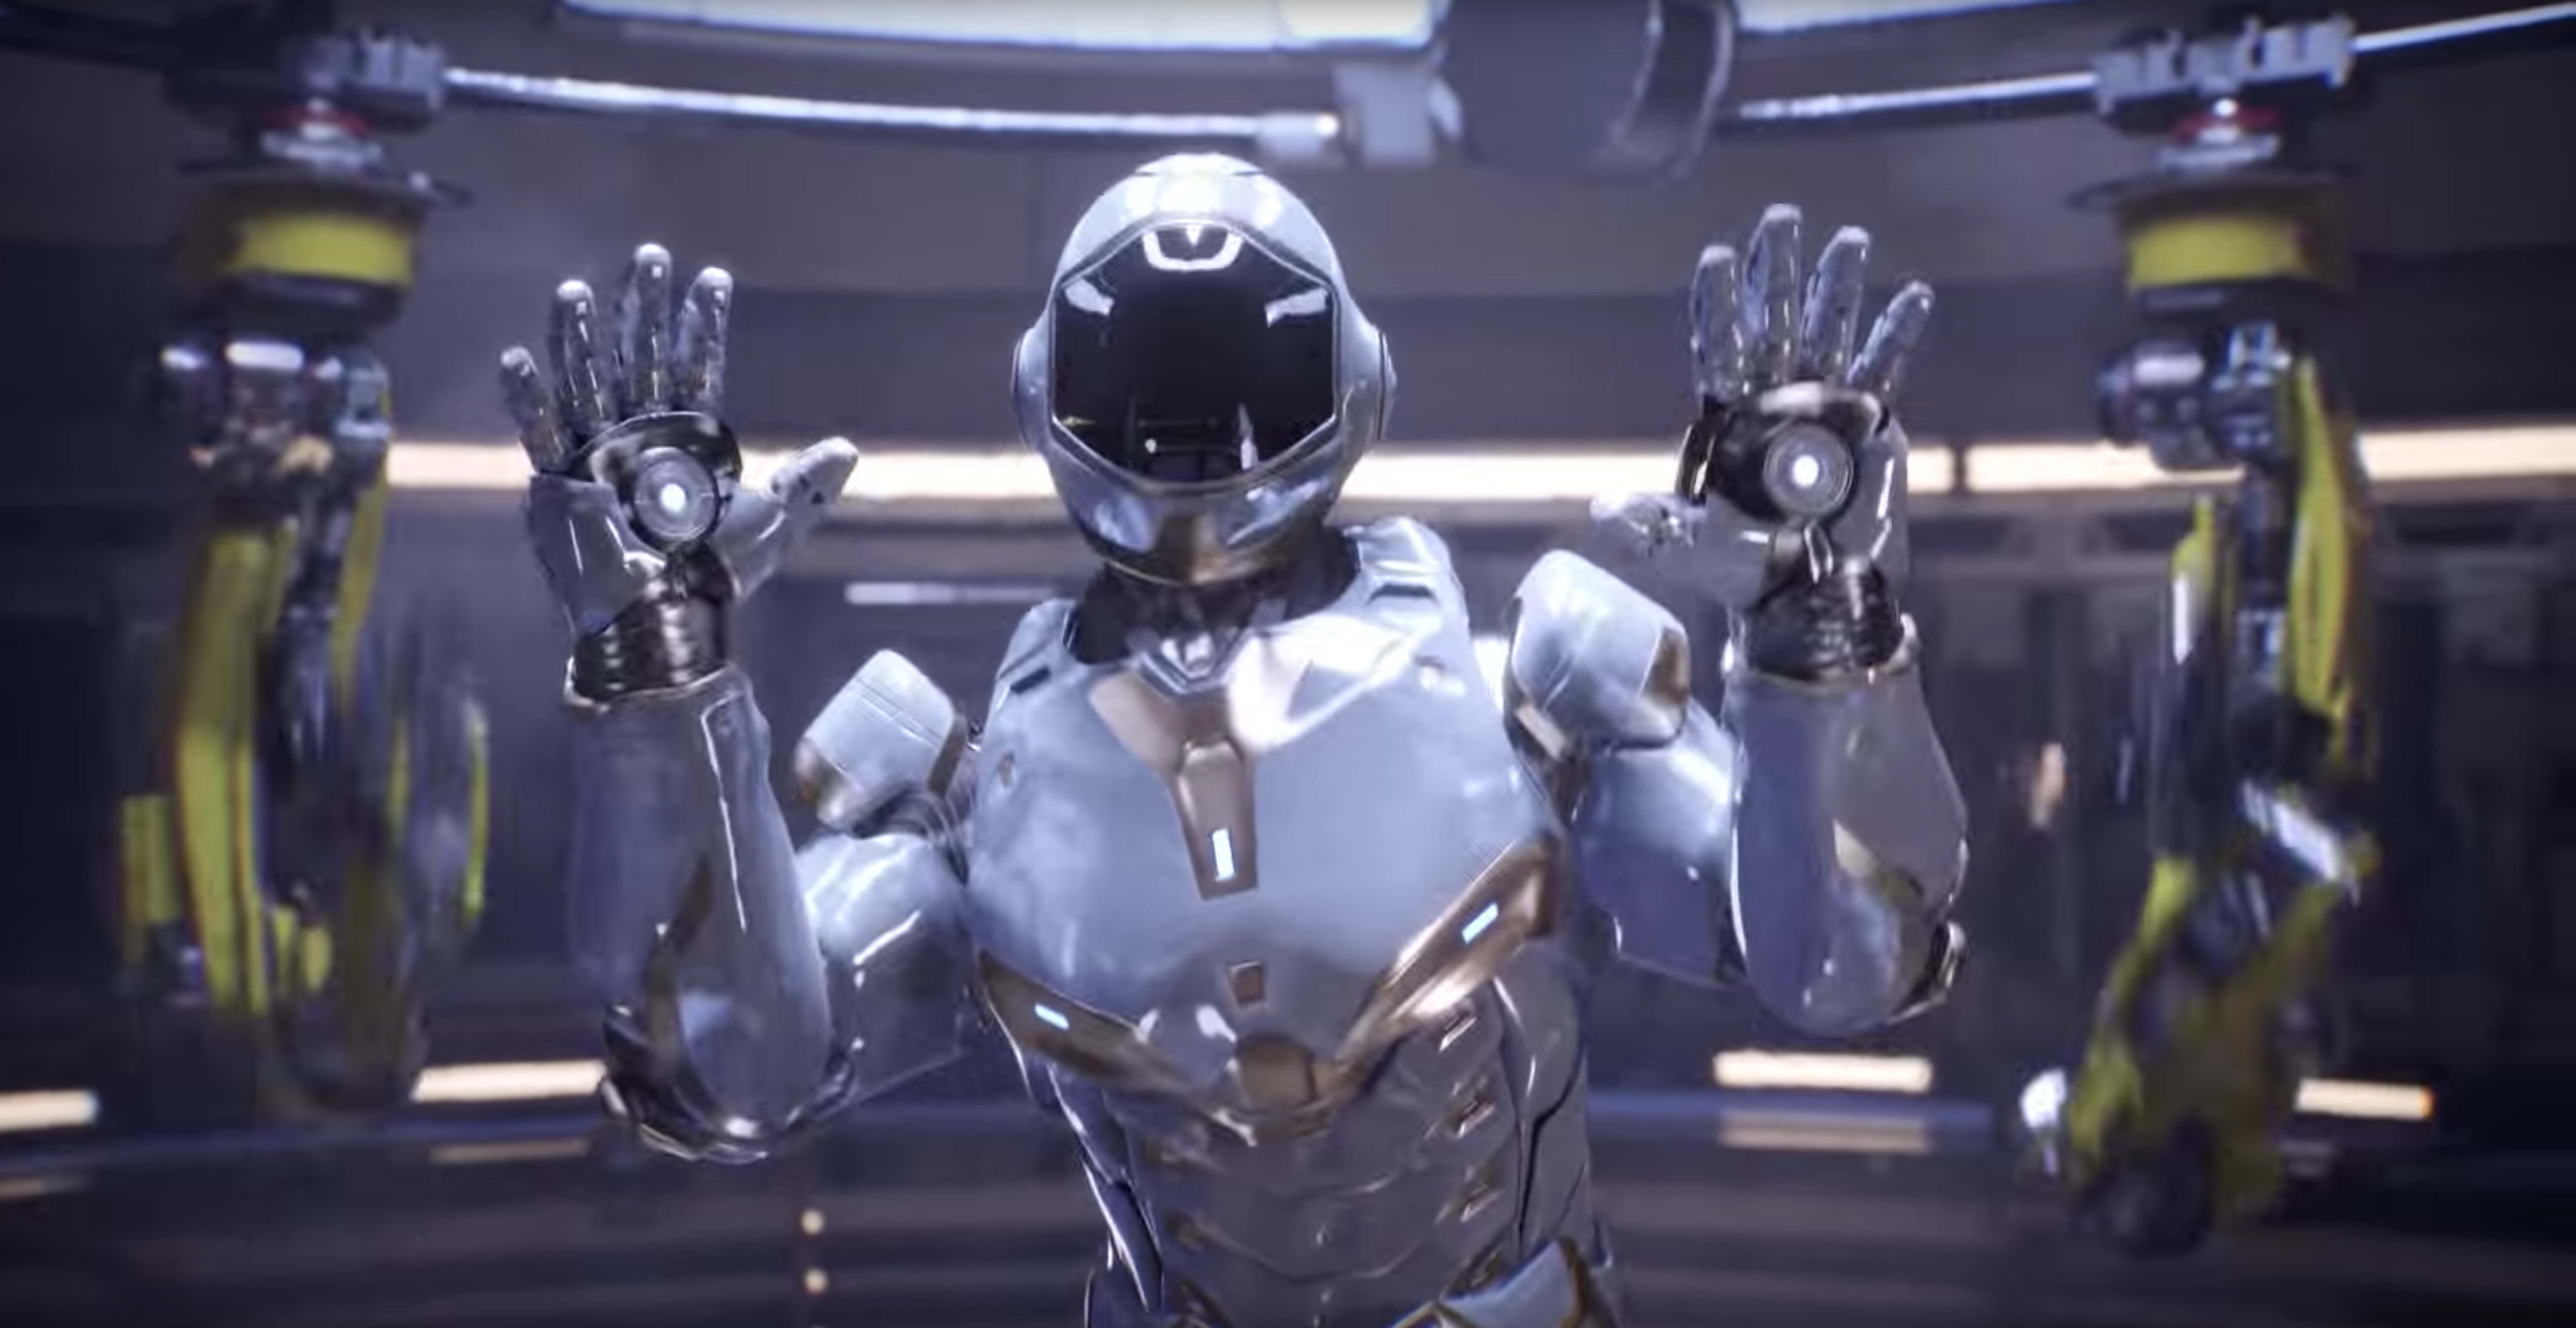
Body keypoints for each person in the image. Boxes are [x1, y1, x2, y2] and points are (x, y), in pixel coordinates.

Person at [501, 153, 1966, 1327]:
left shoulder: (1529, 688)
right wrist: (660, 670)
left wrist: (1818, 629)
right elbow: (730, 1069)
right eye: (1151, 384)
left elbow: (1843, 957)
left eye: (1230, 374)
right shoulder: (986, 790)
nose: (1195, 438)